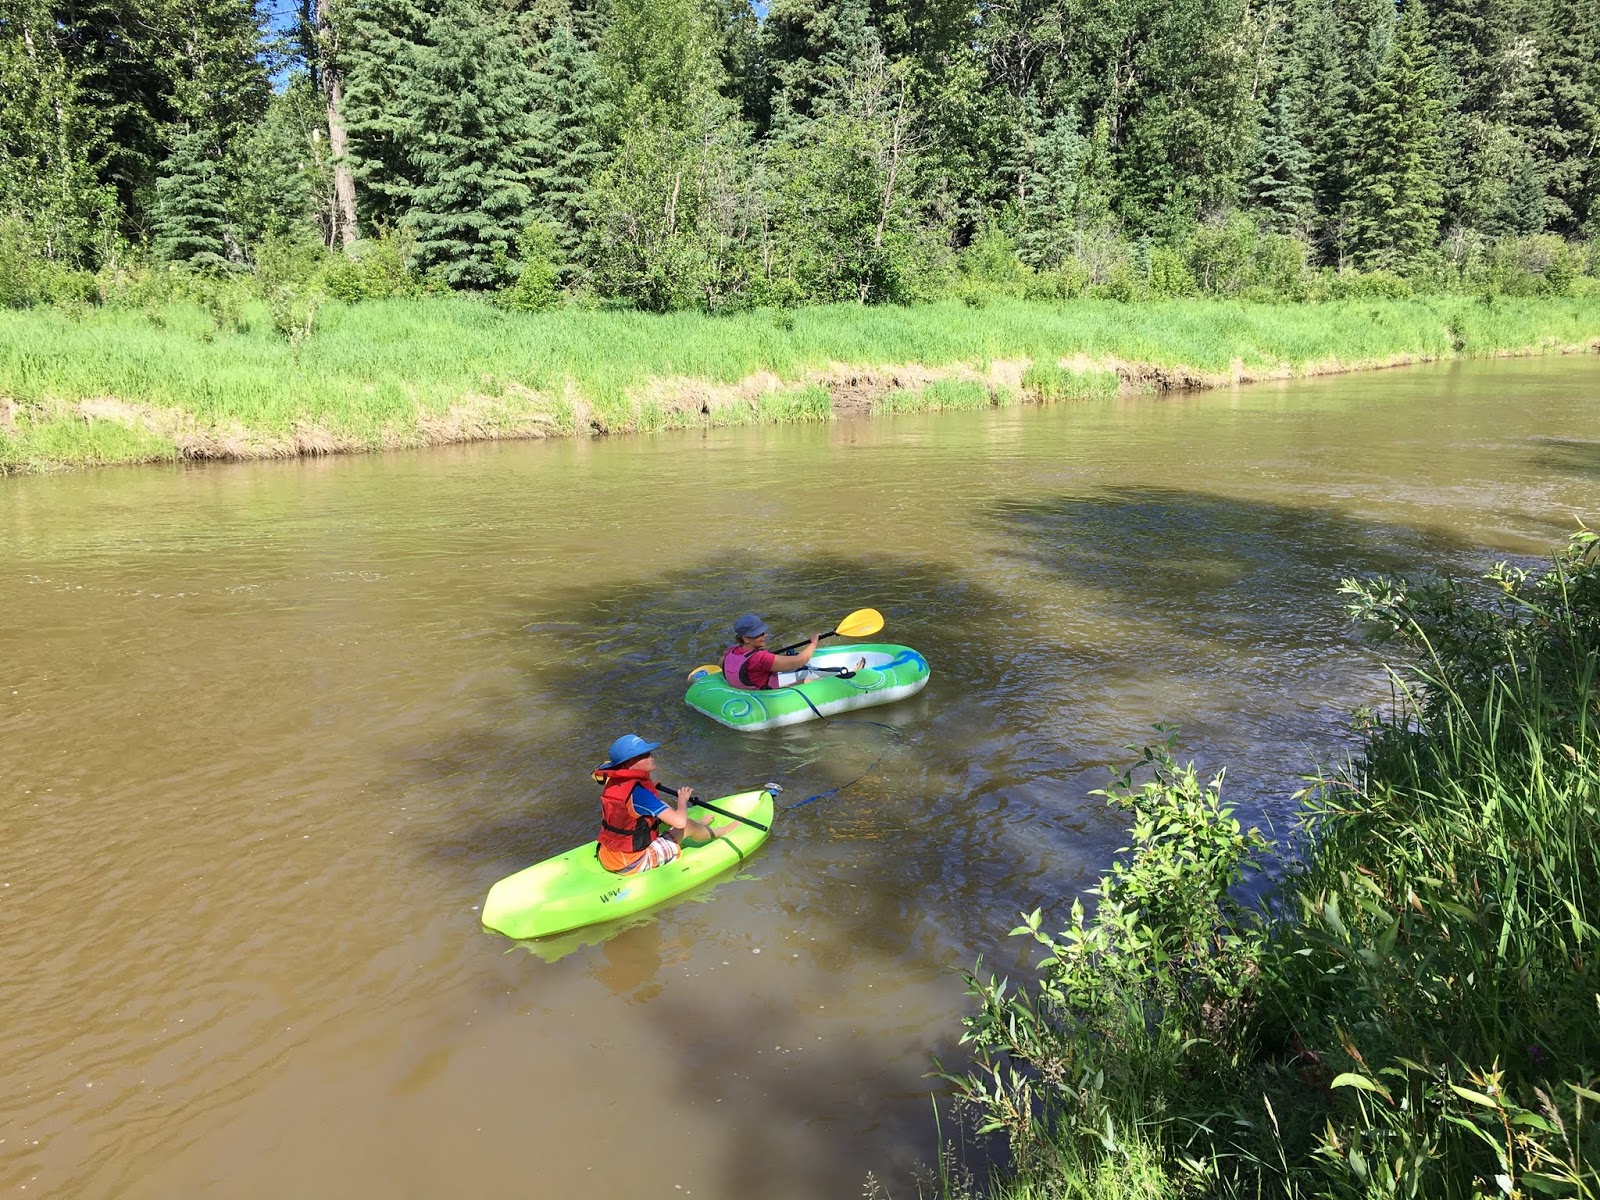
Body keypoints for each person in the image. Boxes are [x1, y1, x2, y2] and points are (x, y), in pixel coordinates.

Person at [593, 734, 732, 874]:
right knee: (687, 825)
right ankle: (722, 832)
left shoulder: (614, 782)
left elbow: (630, 798)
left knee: (662, 805)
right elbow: (680, 823)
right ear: (628, 763)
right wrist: (682, 800)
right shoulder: (640, 795)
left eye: (649, 752)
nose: (651, 756)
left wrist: (649, 786)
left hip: (608, 855)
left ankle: (699, 826)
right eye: (644, 755)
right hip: (632, 862)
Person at [721, 613, 822, 690]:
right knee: (806, 681)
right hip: (766, 696)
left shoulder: (730, 651)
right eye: (759, 634)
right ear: (746, 639)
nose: (764, 635)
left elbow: (721, 663)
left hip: (747, 693)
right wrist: (813, 643)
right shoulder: (761, 658)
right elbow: (800, 661)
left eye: (763, 632)